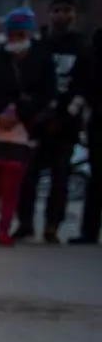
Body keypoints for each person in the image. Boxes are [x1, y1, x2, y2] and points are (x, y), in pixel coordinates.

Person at [0, 8, 56, 245]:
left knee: (12, 184)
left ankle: (5, 229)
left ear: (29, 33)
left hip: (23, 129)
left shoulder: (42, 58)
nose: (15, 39)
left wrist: (21, 113)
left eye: (20, 34)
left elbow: (47, 93)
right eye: (11, 34)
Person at [15, 0, 88, 243]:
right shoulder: (38, 46)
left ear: (74, 15)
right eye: (57, 10)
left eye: (67, 10)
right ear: (49, 14)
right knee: (29, 175)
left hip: (67, 123)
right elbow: (28, 82)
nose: (62, 16)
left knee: (60, 177)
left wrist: (67, 115)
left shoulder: (82, 47)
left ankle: (52, 226)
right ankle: (25, 223)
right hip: (37, 122)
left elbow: (86, 85)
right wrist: (37, 114)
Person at [72, 29, 102, 244]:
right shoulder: (94, 50)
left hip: (97, 118)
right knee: (97, 179)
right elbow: (85, 85)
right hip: (98, 119)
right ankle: (88, 231)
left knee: (96, 180)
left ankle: (89, 232)